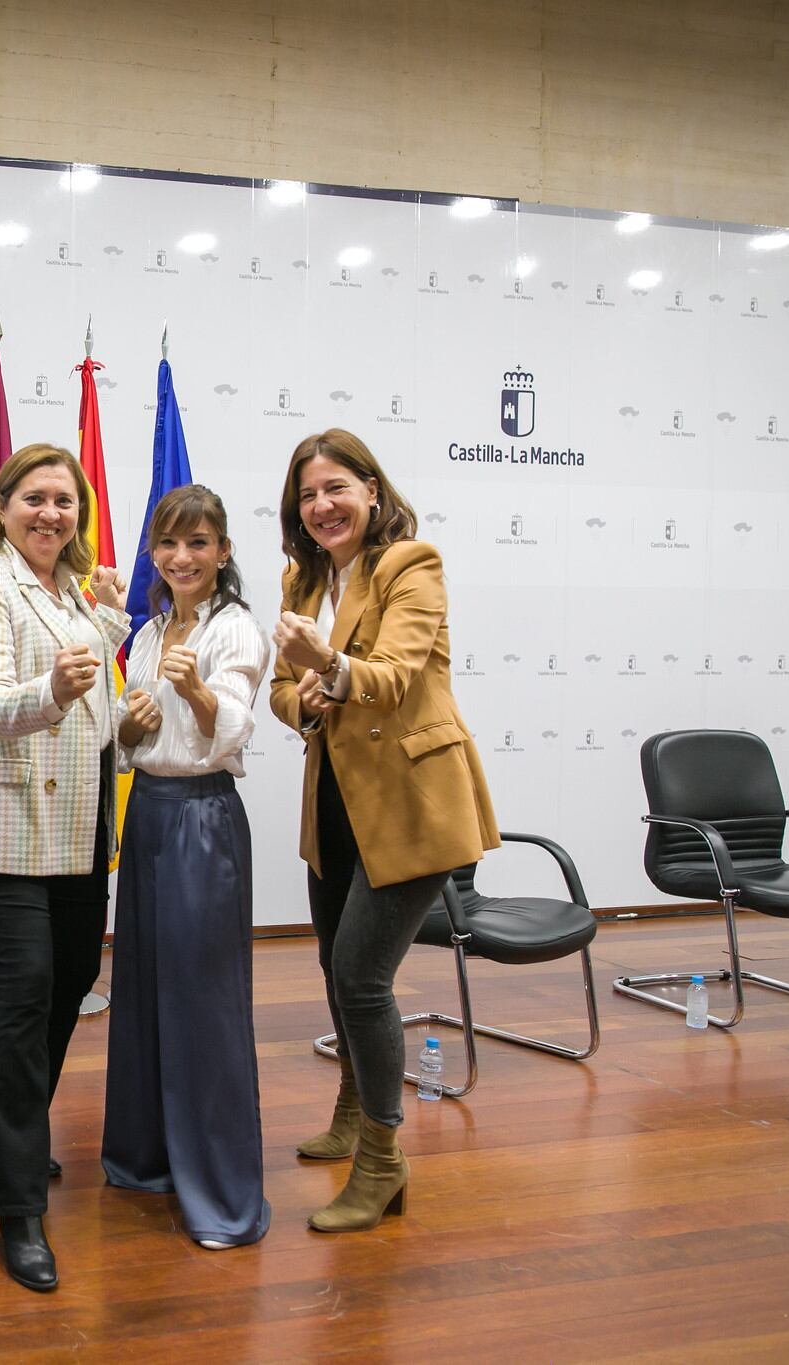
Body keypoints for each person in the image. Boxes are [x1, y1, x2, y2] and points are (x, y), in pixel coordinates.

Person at [265, 428, 498, 1233]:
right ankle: (349, 1110)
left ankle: (383, 1160)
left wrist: (325, 668)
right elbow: (281, 693)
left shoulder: (411, 564)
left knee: (363, 976)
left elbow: (394, 677)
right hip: (334, 799)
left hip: (410, 802)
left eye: (335, 487)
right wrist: (307, 694)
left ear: (371, 489)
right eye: (306, 494)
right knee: (335, 967)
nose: (322, 505)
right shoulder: (301, 578)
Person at [0, 443, 128, 1292]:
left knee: (74, 977)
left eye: (65, 501)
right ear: (3, 503)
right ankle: (19, 1205)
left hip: (83, 817)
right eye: (35, 498)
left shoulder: (73, 590)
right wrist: (51, 687)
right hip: (14, 821)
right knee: (26, 990)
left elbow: (92, 687)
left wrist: (110, 633)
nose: (51, 513)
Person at [102, 484, 272, 1249]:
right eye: (168, 544)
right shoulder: (144, 633)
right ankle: (146, 1158)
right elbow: (135, 744)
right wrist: (130, 727)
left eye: (198, 542)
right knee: (141, 988)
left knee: (202, 1000)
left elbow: (229, 728)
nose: (182, 557)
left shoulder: (235, 628)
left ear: (223, 552)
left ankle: (222, 1194)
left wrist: (197, 689)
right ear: (153, 554)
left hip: (204, 816)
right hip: (149, 816)